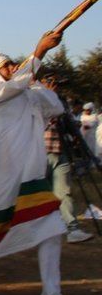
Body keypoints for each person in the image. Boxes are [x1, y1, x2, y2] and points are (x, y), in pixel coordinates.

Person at [0, 32, 85, 295]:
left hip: (31, 178)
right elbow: (12, 84)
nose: (13, 68)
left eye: (13, 64)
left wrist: (35, 83)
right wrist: (40, 51)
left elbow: (55, 106)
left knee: (52, 230)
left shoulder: (27, 94)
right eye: (6, 66)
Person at [42, 82, 94, 244]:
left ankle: (72, 229)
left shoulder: (62, 102)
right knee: (40, 193)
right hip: (39, 152)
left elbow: (70, 125)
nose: (54, 85)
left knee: (64, 192)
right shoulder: (35, 98)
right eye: (50, 82)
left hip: (61, 151)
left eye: (56, 83)